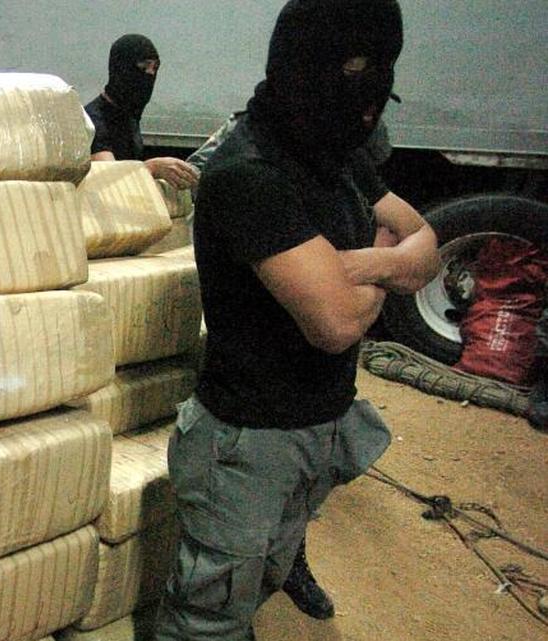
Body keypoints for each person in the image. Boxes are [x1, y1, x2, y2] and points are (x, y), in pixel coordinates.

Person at [156, 1, 439, 639]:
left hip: (320, 421)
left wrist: (356, 265)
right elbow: (336, 325)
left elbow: (424, 244)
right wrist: (385, 265)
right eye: (354, 70)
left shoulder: (334, 152)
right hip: (249, 443)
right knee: (208, 617)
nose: (369, 99)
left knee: (263, 578)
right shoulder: (250, 173)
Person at [84, 34, 199, 191]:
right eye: (143, 67)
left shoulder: (128, 117)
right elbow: (107, 177)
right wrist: (151, 168)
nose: (150, 75)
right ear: (121, 68)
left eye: (154, 68)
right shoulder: (93, 121)